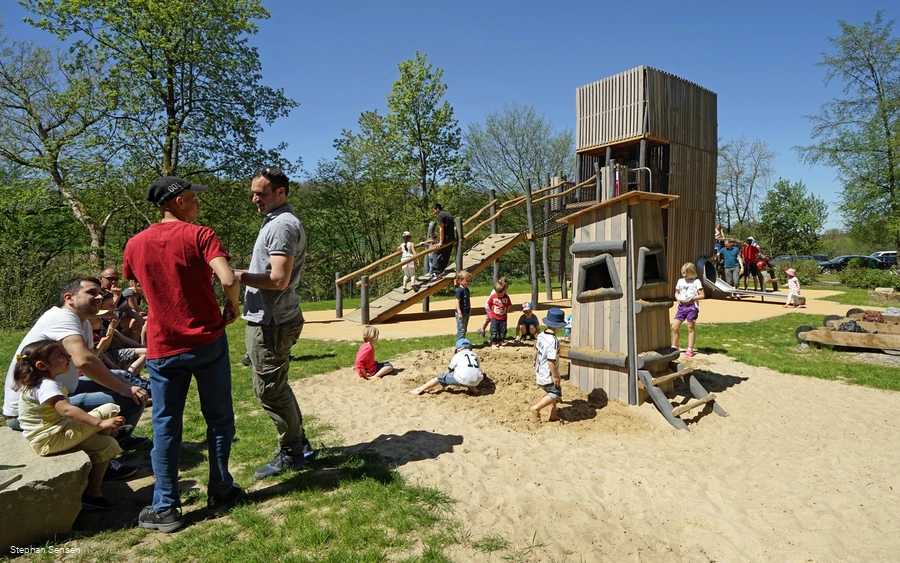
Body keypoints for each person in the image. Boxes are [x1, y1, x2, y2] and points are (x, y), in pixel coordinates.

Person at [123, 176, 241, 532]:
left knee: (165, 425)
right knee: (218, 418)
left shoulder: (134, 244)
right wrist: (232, 306)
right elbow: (228, 278)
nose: (198, 204)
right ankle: (221, 490)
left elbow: (136, 286)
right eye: (192, 198)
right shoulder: (201, 235)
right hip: (206, 340)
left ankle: (166, 508)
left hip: (163, 347)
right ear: (176, 202)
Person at [2, 277, 148, 468]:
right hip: (37, 409)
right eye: (91, 292)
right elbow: (84, 361)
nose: (99, 297)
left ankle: (119, 436)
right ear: (69, 298)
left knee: (125, 379)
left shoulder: (84, 322)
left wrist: (123, 382)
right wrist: (123, 389)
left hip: (62, 391)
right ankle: (104, 458)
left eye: (100, 293)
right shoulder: (62, 317)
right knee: (128, 398)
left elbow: (91, 358)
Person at [232, 166, 316, 480]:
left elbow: (278, 279)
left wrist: (236, 276)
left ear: (281, 192)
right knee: (275, 386)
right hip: (273, 318)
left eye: (261, 193)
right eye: (253, 193)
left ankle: (292, 451)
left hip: (272, 322)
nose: (255, 199)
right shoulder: (275, 221)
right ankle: (299, 444)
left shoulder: (282, 225)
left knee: (269, 391)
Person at [13, 339, 128, 510]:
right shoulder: (46, 386)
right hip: (52, 439)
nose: (68, 356)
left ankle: (93, 494)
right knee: (110, 409)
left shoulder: (38, 383)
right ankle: (106, 431)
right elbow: (66, 410)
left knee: (107, 444)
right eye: (61, 354)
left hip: (54, 435)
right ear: (42, 365)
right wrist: (100, 423)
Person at [529, 308, 567, 423]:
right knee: (556, 393)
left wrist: (534, 359)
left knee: (551, 393)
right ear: (557, 327)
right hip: (548, 373)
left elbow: (536, 348)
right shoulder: (553, 340)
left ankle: (553, 415)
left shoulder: (541, 335)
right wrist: (556, 376)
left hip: (540, 370)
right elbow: (551, 361)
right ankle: (536, 408)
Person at [409, 338, 483, 395]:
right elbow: (476, 368)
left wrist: (444, 380)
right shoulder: (474, 355)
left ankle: (419, 390)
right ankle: (475, 390)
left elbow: (450, 370)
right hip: (477, 379)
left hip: (463, 378)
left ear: (459, 349)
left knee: (440, 377)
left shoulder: (458, 355)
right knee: (469, 372)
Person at [98, 268, 143, 342]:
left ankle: (133, 345)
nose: (113, 282)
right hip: (101, 321)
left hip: (115, 320)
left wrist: (136, 317)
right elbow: (107, 312)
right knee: (114, 320)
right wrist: (116, 297)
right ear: (100, 279)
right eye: (110, 278)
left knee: (137, 318)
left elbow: (128, 309)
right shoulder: (97, 292)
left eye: (116, 279)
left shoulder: (115, 292)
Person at [671, 262, 705, 358]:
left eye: (686, 273)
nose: (684, 275)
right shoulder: (680, 281)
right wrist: (678, 299)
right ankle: (675, 346)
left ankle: (690, 348)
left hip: (691, 307)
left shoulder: (696, 282)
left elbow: (702, 295)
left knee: (690, 328)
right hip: (681, 307)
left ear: (692, 272)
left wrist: (692, 299)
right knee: (674, 327)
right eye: (683, 273)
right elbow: (677, 293)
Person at [429, 203, 455, 279]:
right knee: (446, 255)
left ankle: (436, 272)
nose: (433, 212)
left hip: (445, 239)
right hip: (451, 238)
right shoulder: (448, 214)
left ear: (437, 209)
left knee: (436, 252)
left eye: (434, 210)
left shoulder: (440, 215)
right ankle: (440, 271)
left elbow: (441, 229)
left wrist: (440, 242)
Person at [485, 281, 512, 349]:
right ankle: (493, 343)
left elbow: (509, 305)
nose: (500, 295)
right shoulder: (493, 297)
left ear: (504, 290)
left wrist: (506, 310)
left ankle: (500, 343)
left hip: (503, 317)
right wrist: (492, 312)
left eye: (501, 294)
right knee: (494, 330)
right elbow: (489, 304)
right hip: (494, 317)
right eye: (498, 294)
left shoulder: (506, 297)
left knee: (502, 331)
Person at [455, 271, 472, 340]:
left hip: (466, 311)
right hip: (461, 312)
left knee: (464, 329)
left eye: (469, 280)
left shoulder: (467, 290)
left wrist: (469, 309)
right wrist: (459, 312)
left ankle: (463, 341)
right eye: (466, 281)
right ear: (460, 281)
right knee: (461, 329)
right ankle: (459, 343)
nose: (468, 282)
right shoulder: (459, 290)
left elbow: (468, 300)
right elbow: (457, 302)